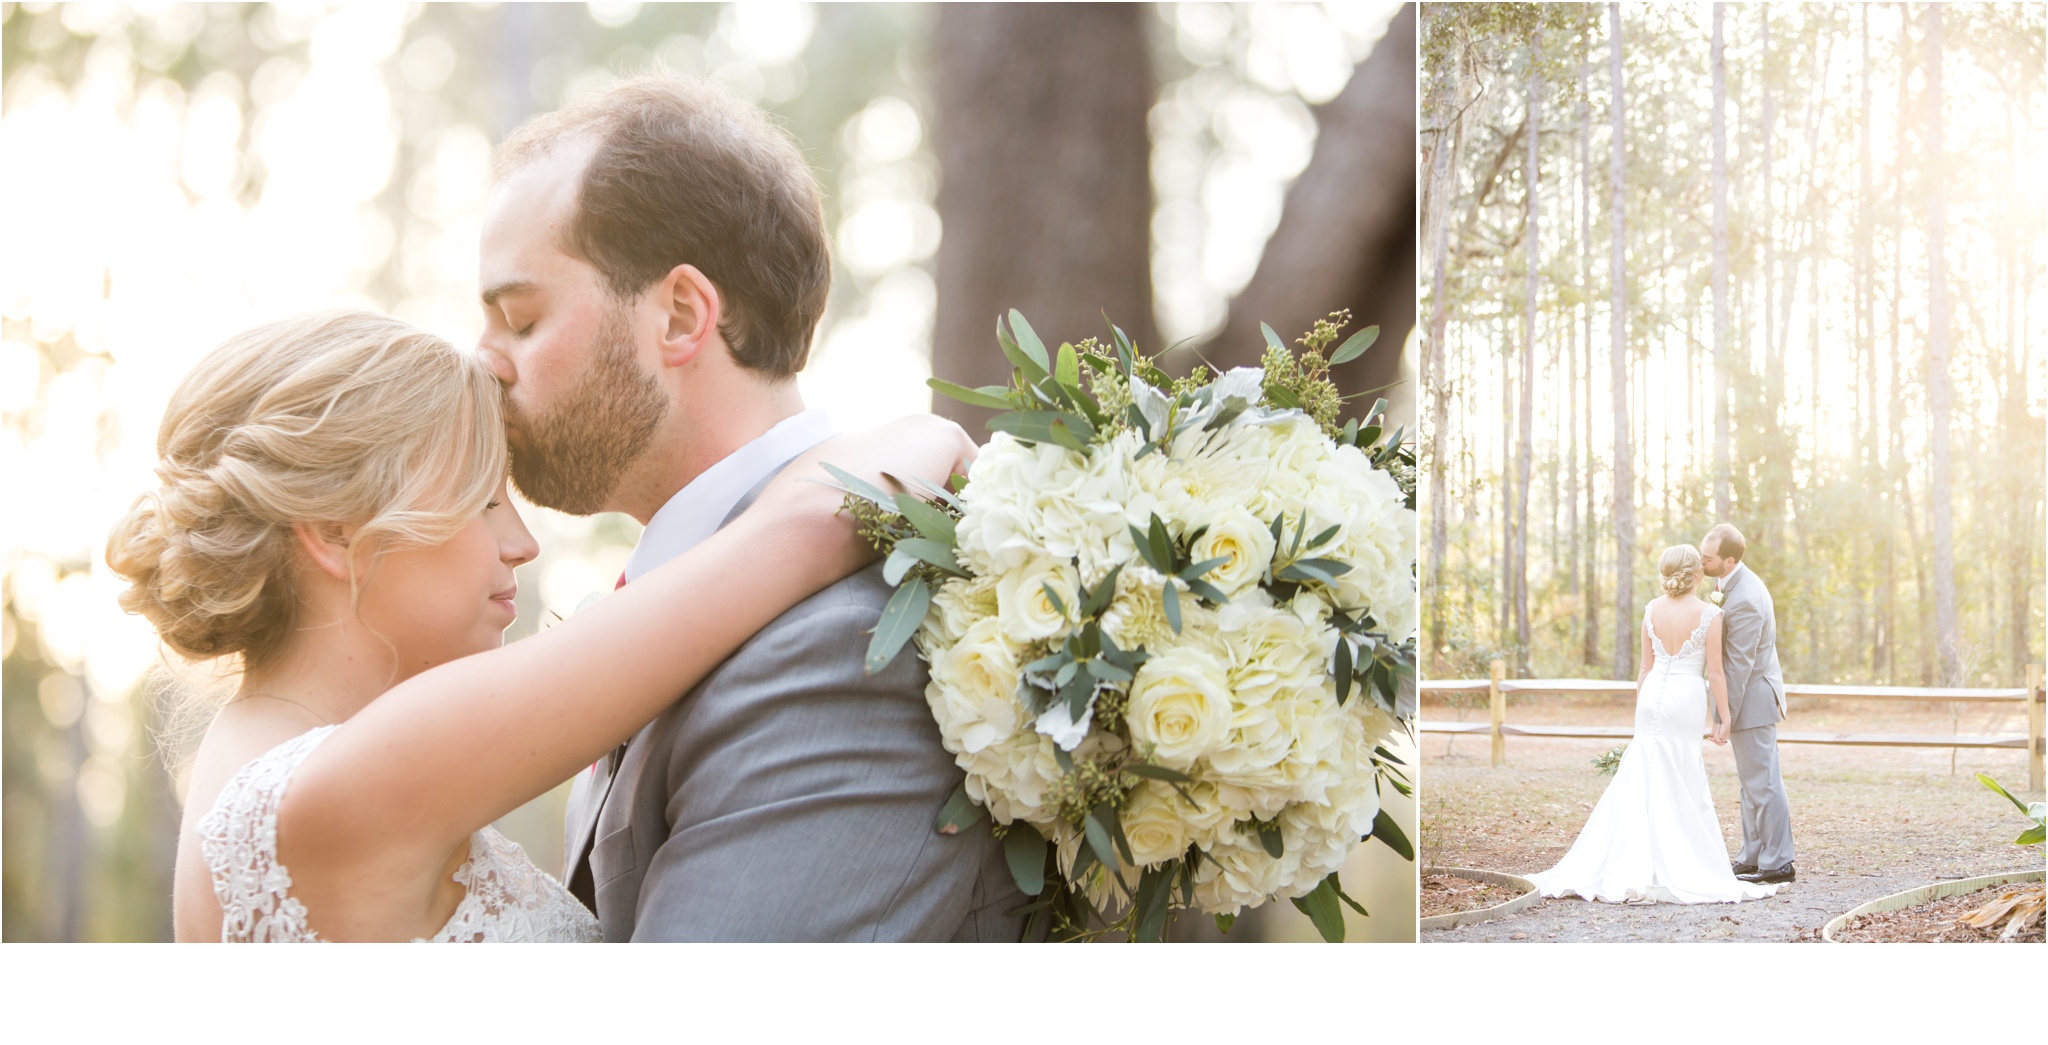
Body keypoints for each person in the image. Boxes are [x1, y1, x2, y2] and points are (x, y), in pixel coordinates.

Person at [111, 310, 973, 941]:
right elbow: (809, 523)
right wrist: (942, 430)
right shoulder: (337, 787)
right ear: (334, 531)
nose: (520, 542)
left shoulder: (259, 768)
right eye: (483, 499)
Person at [474, 74, 1022, 941]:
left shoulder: (842, 644)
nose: (486, 362)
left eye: (520, 317)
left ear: (683, 315)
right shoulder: (685, 597)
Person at [1525, 544, 1778, 905]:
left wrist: (1641, 708)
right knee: (1681, 770)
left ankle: (1633, 856)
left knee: (1644, 772)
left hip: (1653, 693)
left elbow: (1645, 668)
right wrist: (1724, 716)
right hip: (1686, 696)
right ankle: (1676, 857)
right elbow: (1717, 673)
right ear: (1696, 574)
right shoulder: (1710, 615)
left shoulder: (1650, 610)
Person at [1698, 522, 1794, 884]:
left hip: (1752, 700)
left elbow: (1739, 664)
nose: (1700, 564)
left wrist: (1724, 714)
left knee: (1764, 783)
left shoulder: (1747, 599)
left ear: (1728, 560)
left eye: (1707, 559)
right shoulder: (1731, 585)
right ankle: (1752, 856)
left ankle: (1779, 862)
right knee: (1750, 782)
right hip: (1748, 698)